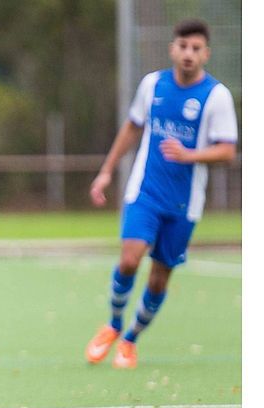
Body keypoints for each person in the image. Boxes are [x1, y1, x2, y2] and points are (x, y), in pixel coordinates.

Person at [84, 19, 237, 369]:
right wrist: (107, 171)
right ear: (172, 49)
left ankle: (130, 340)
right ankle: (113, 324)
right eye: (183, 46)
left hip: (184, 204)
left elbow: (227, 151)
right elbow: (132, 127)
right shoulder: (152, 85)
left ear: (206, 54)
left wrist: (189, 155)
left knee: (159, 277)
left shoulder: (216, 97)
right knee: (129, 259)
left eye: (196, 48)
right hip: (145, 191)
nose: (188, 54)